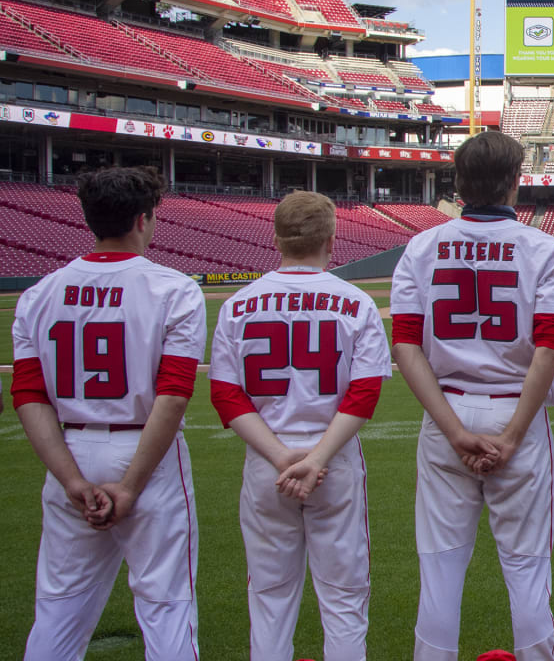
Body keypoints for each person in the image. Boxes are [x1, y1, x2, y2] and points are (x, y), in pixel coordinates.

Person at [390, 132, 554, 661]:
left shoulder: (422, 246)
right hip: (517, 409)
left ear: (457, 184)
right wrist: (513, 436)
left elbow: (405, 346)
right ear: (515, 184)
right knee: (527, 566)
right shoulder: (544, 249)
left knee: (441, 568)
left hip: (448, 409)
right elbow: (548, 349)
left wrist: (453, 431)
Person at [10, 166, 206, 660]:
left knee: (58, 608)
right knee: (166, 607)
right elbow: (174, 393)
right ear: (143, 219)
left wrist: (72, 480)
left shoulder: (38, 294)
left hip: (70, 448)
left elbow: (29, 396)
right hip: (146, 452)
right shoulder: (174, 289)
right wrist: (132, 484)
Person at [208, 191, 391, 661]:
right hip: (335, 462)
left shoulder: (238, 305)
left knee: (269, 597)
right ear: (332, 240)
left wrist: (282, 458)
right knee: (345, 598)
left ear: (276, 239)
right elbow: (364, 393)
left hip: (268, 463)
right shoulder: (356, 302)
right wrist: (316, 460)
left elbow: (226, 396)